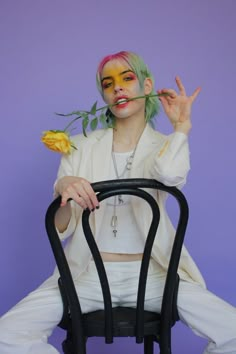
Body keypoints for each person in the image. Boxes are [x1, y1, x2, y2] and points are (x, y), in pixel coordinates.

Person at [0, 50, 236, 354]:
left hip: (154, 276)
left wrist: (181, 129)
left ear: (147, 86)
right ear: (104, 94)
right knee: (7, 335)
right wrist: (62, 188)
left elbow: (169, 175)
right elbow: (62, 227)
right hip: (86, 277)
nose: (118, 88)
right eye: (108, 84)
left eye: (127, 78)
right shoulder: (80, 147)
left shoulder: (166, 146)